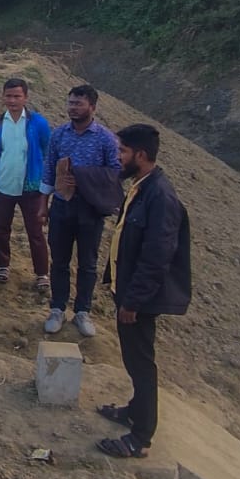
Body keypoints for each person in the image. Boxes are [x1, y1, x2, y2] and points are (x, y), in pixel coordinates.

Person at [96, 123, 192, 458]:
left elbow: (157, 257)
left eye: (122, 152)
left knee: (141, 364)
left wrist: (133, 301)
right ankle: (135, 411)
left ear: (140, 155)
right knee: (133, 358)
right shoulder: (142, 187)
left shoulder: (160, 197)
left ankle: (140, 438)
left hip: (139, 299)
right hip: (128, 292)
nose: (117, 157)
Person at [40, 84, 120, 337]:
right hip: (61, 206)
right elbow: (49, 168)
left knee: (87, 263)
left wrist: (84, 177)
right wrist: (43, 204)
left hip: (90, 209)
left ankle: (83, 311)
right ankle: (57, 309)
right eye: (70, 103)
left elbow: (116, 172)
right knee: (59, 261)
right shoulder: (59, 135)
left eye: (78, 103)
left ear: (92, 107)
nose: (73, 108)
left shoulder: (105, 138)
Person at [0, 77, 52, 287]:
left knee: (35, 232)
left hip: (31, 187)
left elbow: (47, 151)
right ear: (3, 97)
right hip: (4, 184)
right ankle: (2, 266)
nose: (12, 100)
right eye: (9, 96)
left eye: (17, 96)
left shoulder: (38, 123)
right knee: (0, 229)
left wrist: (45, 181)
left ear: (26, 97)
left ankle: (42, 274)